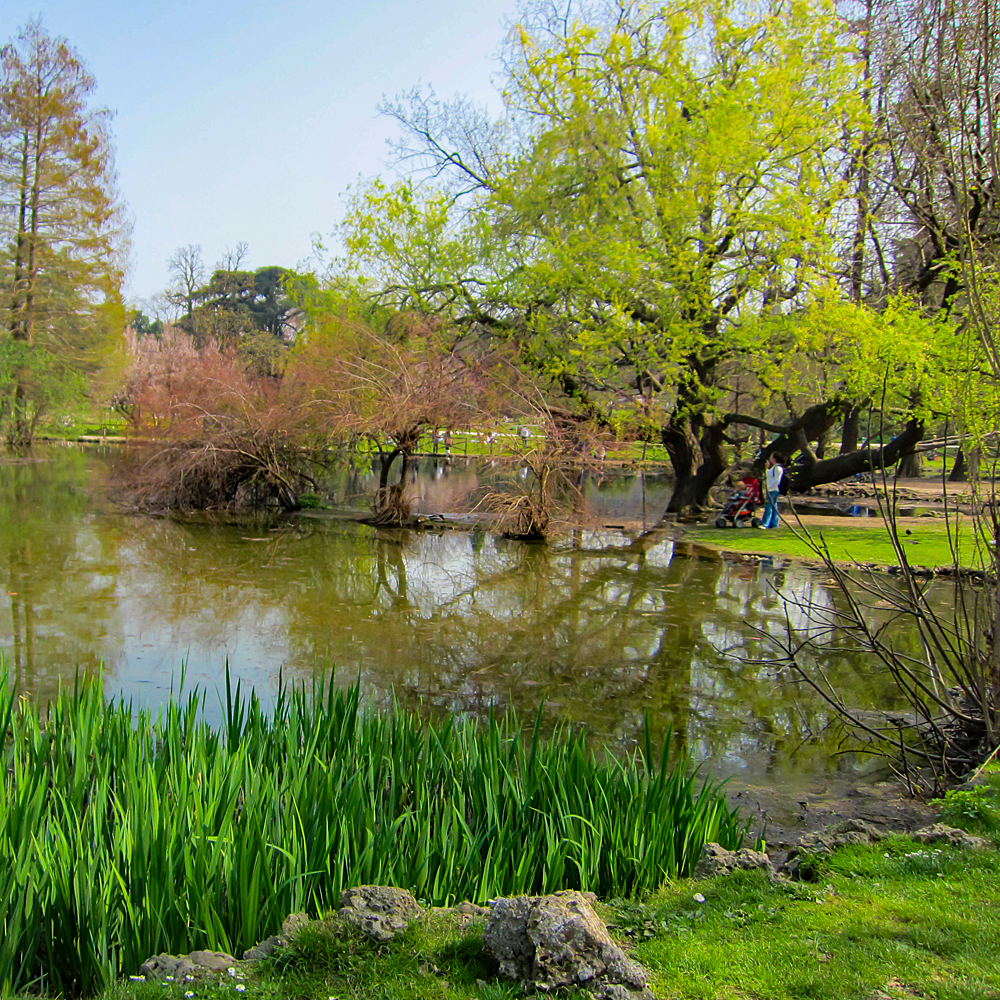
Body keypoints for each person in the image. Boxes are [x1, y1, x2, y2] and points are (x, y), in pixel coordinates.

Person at [761, 452, 784, 529]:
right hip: (770, 489)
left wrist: (770, 488)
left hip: (773, 490)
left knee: (769, 506)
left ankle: (765, 523)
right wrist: (766, 468)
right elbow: (769, 476)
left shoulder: (778, 468)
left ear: (774, 458)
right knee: (773, 506)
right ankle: (774, 523)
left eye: (771, 457)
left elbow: (777, 480)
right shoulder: (773, 468)